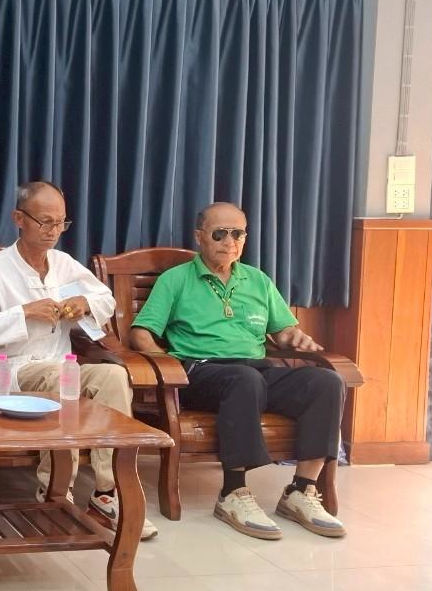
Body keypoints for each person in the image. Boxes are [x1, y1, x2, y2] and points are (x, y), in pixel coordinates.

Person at [130, 201, 346, 540]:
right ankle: (233, 492)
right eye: (220, 233)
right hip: (200, 371)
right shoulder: (176, 280)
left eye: (238, 234)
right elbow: (141, 333)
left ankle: (301, 490)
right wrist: (167, 364)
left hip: (256, 370)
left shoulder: (257, 280)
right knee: (244, 380)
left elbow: (283, 331)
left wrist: (295, 337)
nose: (229, 241)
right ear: (200, 237)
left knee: (326, 381)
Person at [0, 181, 157, 540]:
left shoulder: (64, 264)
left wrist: (84, 303)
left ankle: (107, 492)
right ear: (19, 219)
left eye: (61, 223)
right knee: (63, 379)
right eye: (45, 221)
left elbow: (106, 300)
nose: (53, 231)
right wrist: (23, 313)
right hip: (11, 371)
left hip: (60, 365)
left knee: (113, 376)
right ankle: (55, 489)